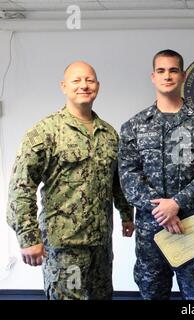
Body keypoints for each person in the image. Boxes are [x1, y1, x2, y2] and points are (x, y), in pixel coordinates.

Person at [6, 61, 134, 300]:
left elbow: (118, 180)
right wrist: (28, 237)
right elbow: (21, 187)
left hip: (101, 245)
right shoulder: (46, 131)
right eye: (76, 80)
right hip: (65, 247)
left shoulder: (108, 134)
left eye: (90, 80)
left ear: (98, 86)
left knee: (102, 297)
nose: (84, 85)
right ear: (64, 86)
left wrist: (127, 214)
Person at [118, 49, 194, 300]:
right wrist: (162, 211)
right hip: (150, 231)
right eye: (161, 71)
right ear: (153, 77)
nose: (167, 76)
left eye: (173, 70)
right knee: (153, 293)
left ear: (183, 75)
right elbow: (129, 176)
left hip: (192, 225)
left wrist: (176, 204)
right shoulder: (134, 125)